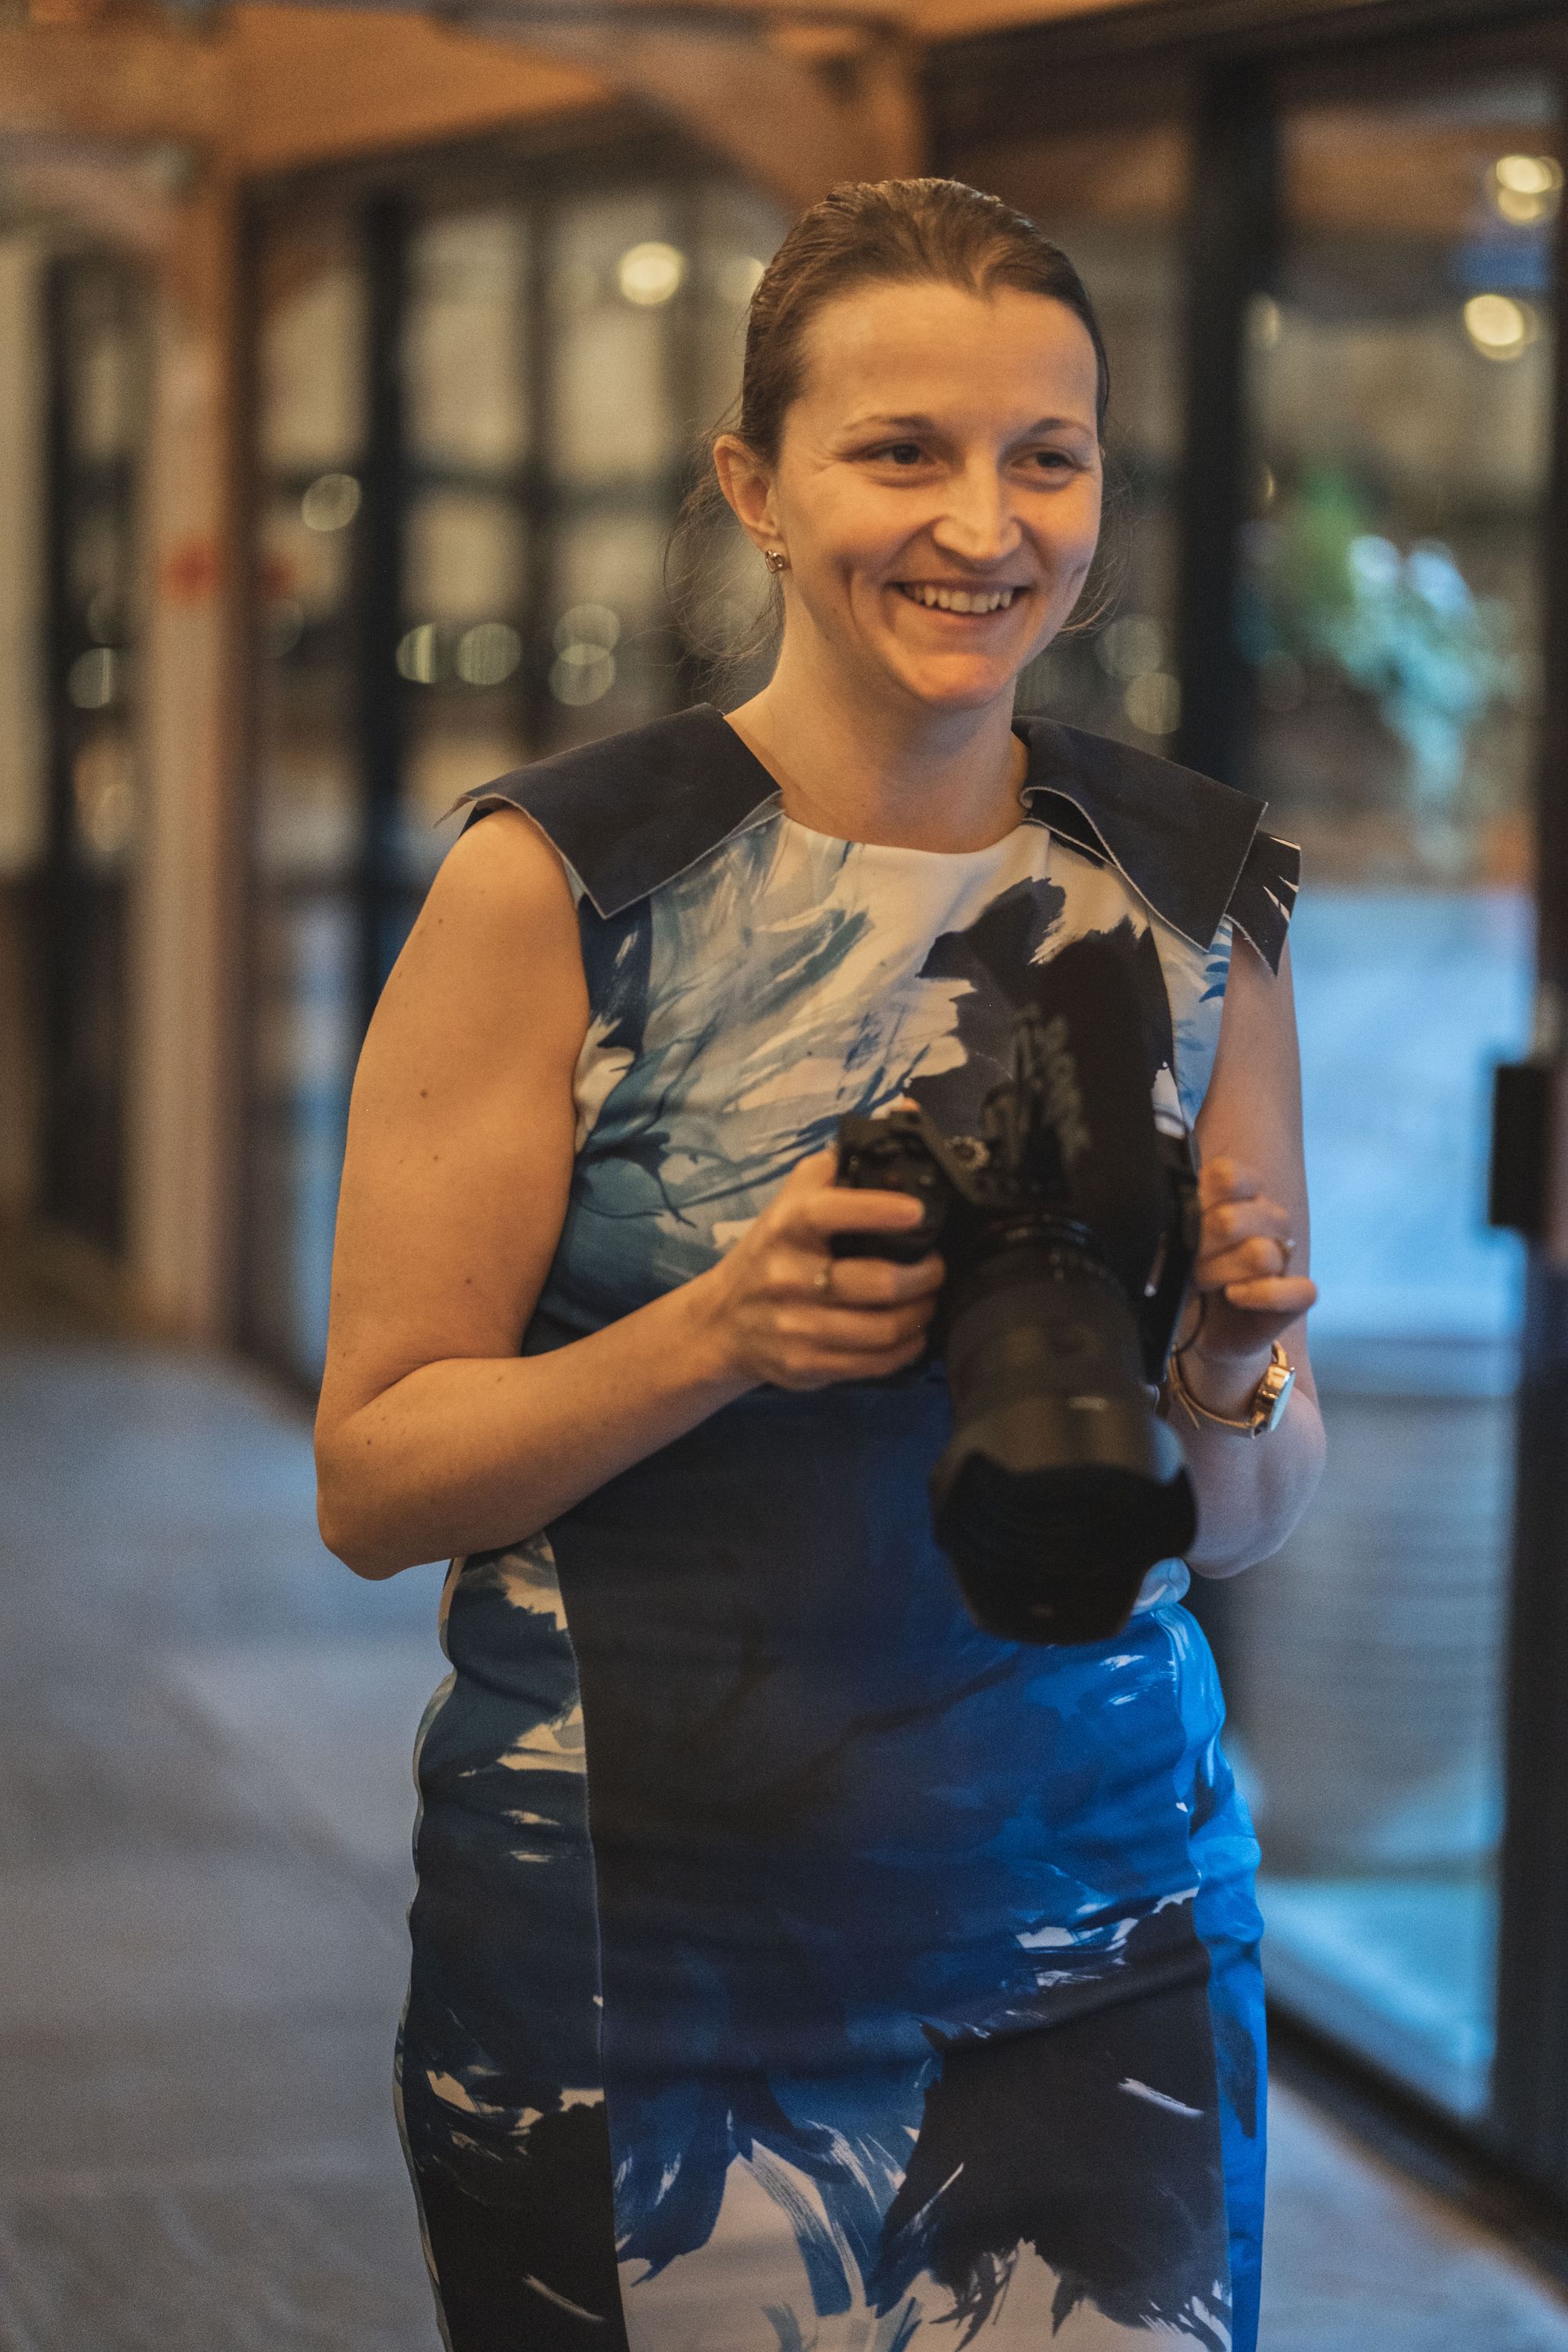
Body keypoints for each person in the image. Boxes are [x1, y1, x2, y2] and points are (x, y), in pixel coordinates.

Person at [316, 176, 1325, 2352]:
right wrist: (719, 1332)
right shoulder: (565, 885)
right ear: (756, 489)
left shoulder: (1190, 893)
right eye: (904, 452)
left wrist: (1231, 1367)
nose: (986, 521)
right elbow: (377, 1480)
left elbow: (1233, 1520)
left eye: (1044, 456)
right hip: (642, 1941)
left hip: (1107, 1928)